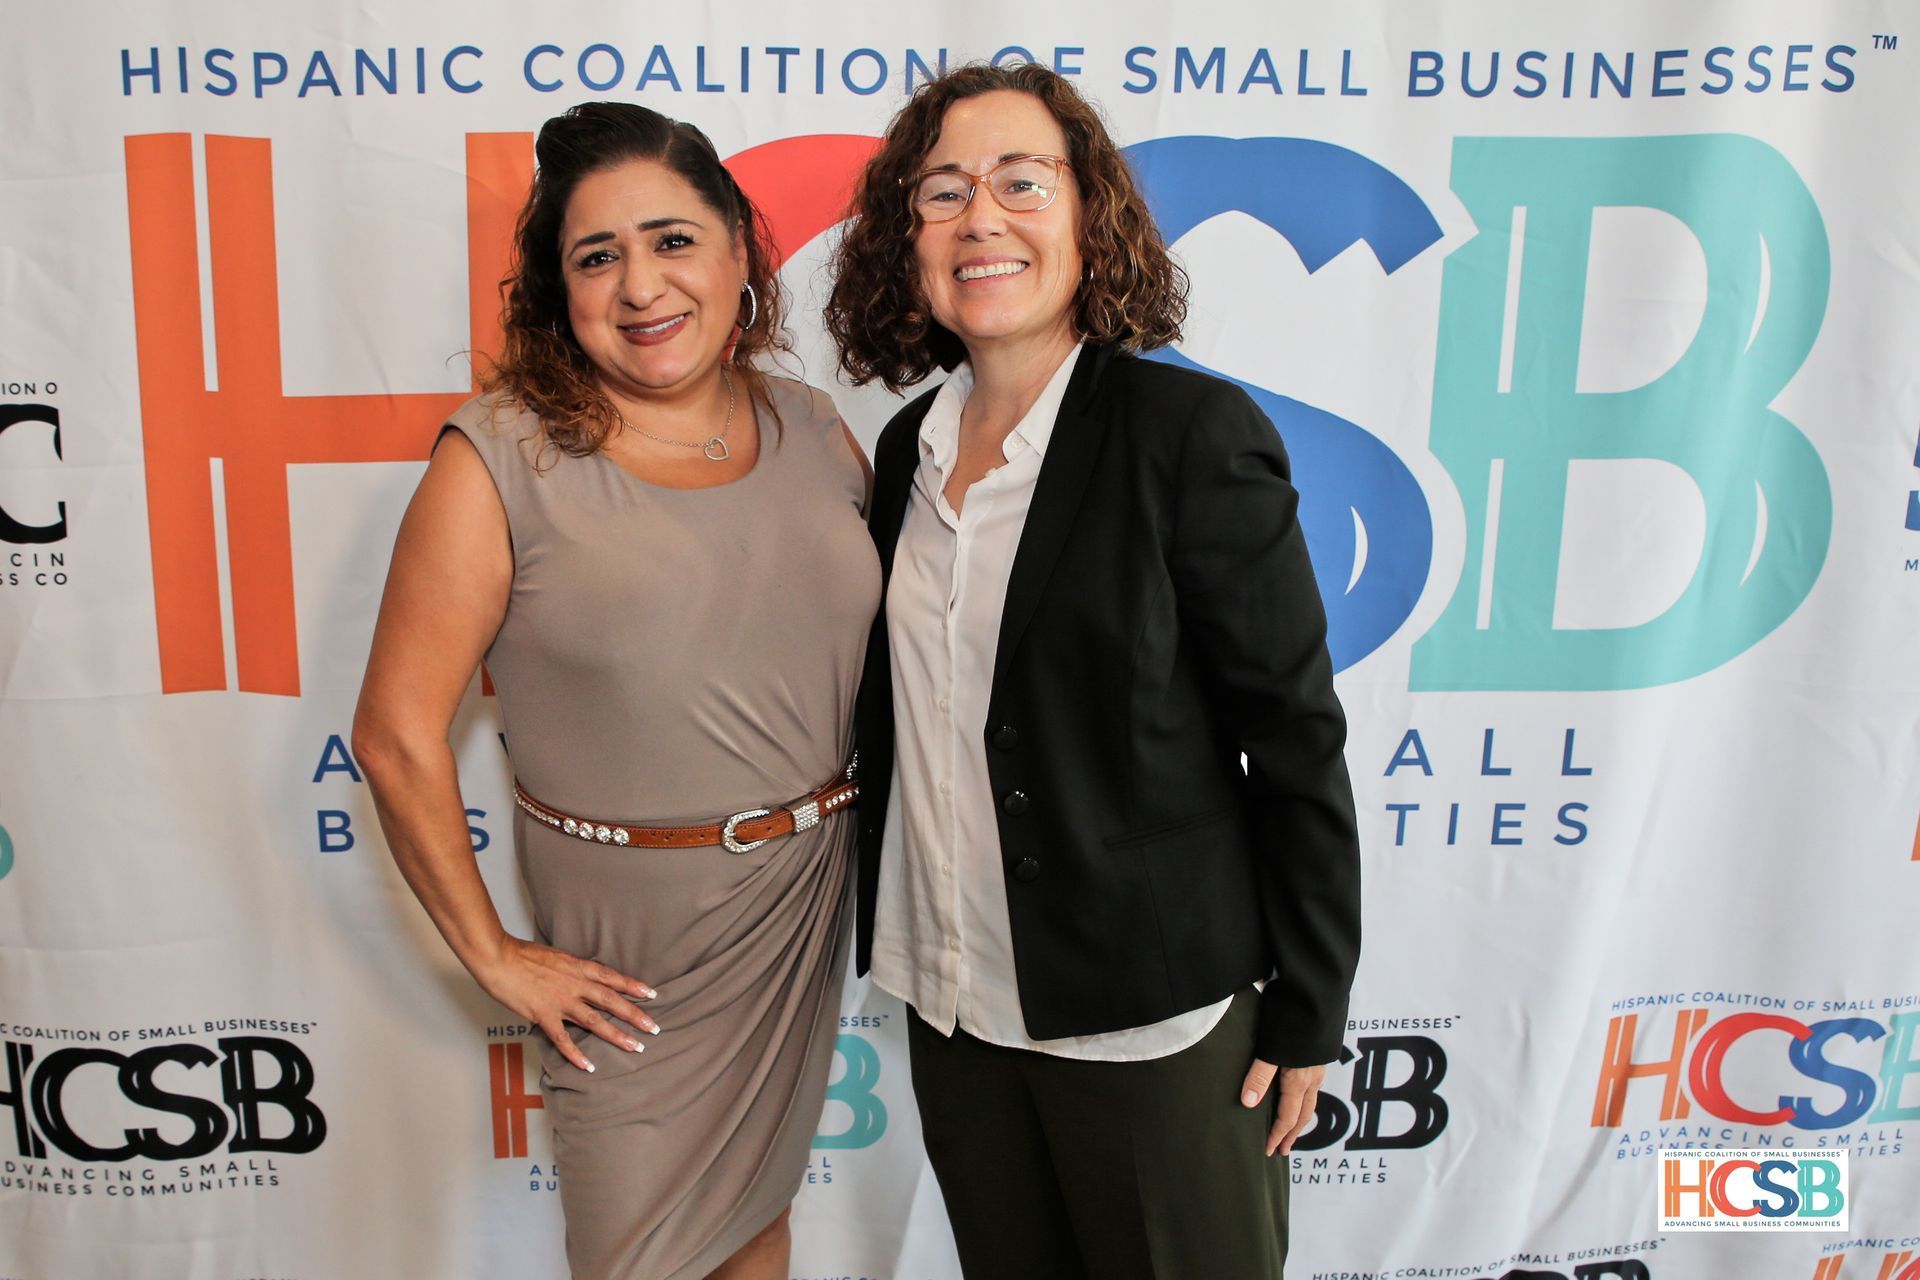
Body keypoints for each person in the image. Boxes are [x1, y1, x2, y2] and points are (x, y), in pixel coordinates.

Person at [824, 63, 1362, 1278]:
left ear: (1088, 212)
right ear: (906, 236)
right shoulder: (908, 444)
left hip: (1150, 1019)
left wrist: (1309, 1003)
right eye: (944, 190)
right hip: (953, 998)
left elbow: (1293, 736)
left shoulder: (1189, 436)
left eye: (1023, 181)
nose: (983, 218)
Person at [353, 102, 879, 1280]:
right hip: (632, 961)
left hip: (798, 910)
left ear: (740, 252)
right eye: (598, 256)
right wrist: (494, 952)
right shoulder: (497, 455)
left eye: (673, 240)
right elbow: (392, 736)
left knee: (759, 1232)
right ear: (559, 287)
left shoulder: (813, 427)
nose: (642, 285)